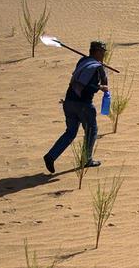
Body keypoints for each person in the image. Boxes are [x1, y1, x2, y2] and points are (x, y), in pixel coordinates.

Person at [43, 40, 109, 173]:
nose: (103, 55)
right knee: (91, 131)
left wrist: (101, 71)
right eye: (102, 52)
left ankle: (51, 156)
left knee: (70, 132)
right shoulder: (95, 66)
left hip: (69, 103)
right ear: (96, 52)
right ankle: (87, 159)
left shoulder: (83, 62)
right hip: (83, 105)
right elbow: (88, 87)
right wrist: (100, 87)